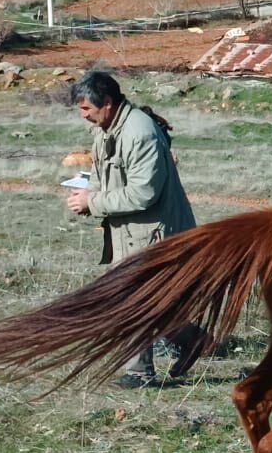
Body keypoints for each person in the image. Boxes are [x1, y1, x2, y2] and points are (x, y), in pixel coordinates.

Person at [65, 70, 209, 385]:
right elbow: (106, 174)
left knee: (133, 300)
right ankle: (191, 339)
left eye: (87, 109)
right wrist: (88, 194)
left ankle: (139, 372)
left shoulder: (140, 134)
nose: (83, 115)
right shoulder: (106, 129)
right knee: (152, 300)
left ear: (108, 104)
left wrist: (95, 202)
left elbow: (144, 193)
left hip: (153, 233)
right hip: (132, 231)